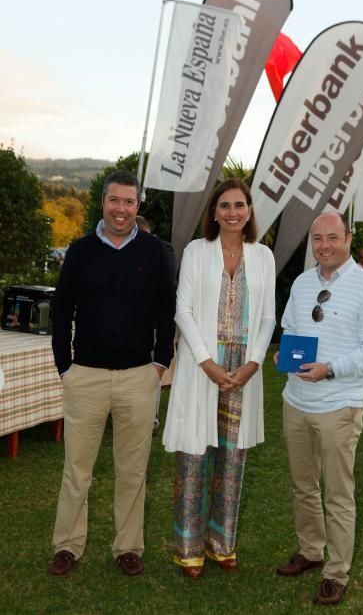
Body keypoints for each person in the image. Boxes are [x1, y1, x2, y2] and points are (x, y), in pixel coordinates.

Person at [48, 171, 176, 578]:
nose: (121, 209)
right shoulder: (81, 250)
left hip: (138, 377)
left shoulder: (156, 252)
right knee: (76, 469)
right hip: (84, 375)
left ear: (138, 207)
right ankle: (67, 545)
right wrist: (64, 366)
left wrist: (159, 363)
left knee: (133, 470)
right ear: (103, 202)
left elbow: (165, 312)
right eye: (114, 201)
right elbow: (61, 309)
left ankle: (128, 547)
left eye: (129, 202)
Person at [162, 179, 276, 579]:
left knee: (232, 457)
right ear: (214, 212)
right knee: (194, 456)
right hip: (202, 365)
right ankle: (188, 547)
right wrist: (207, 363)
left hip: (244, 369)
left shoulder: (263, 256)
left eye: (239, 205)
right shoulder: (197, 251)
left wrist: (253, 364)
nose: (232, 212)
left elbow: (267, 318)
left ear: (249, 211)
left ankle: (221, 543)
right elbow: (183, 311)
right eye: (224, 205)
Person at [275, 211, 363, 606]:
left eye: (332, 238)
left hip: (339, 404)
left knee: (338, 495)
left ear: (348, 238)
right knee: (302, 485)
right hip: (296, 401)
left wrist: (330, 370)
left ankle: (336, 572)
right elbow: (290, 328)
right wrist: (285, 357)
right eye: (317, 238)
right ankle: (310, 550)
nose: (324, 245)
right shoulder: (303, 283)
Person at [135, 214, 176, 432]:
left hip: (153, 322)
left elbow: (164, 284)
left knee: (152, 371)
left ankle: (151, 418)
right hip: (128, 324)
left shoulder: (164, 250)